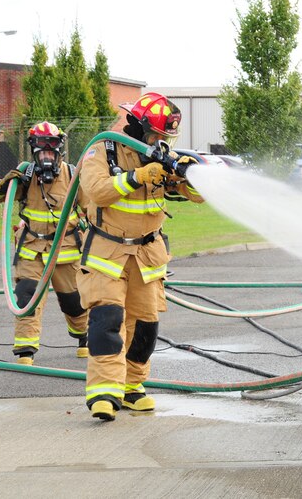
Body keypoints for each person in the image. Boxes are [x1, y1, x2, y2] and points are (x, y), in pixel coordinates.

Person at [78, 92, 202, 421]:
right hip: (108, 253)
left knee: (145, 326)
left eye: (166, 137)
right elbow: (97, 191)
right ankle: (104, 391)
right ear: (137, 126)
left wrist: (192, 176)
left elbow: (195, 197)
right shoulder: (102, 149)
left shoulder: (161, 156)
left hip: (147, 256)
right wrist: (136, 177)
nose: (161, 142)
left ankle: (132, 387)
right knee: (108, 321)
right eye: (156, 135)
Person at [0, 121, 89, 365]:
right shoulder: (25, 175)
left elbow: (92, 206)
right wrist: (2, 185)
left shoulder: (73, 175)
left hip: (67, 252)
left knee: (75, 302)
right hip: (32, 250)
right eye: (42, 153)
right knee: (26, 296)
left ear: (59, 151)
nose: (47, 157)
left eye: (51, 152)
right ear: (35, 152)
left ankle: (84, 337)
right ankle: (26, 350)